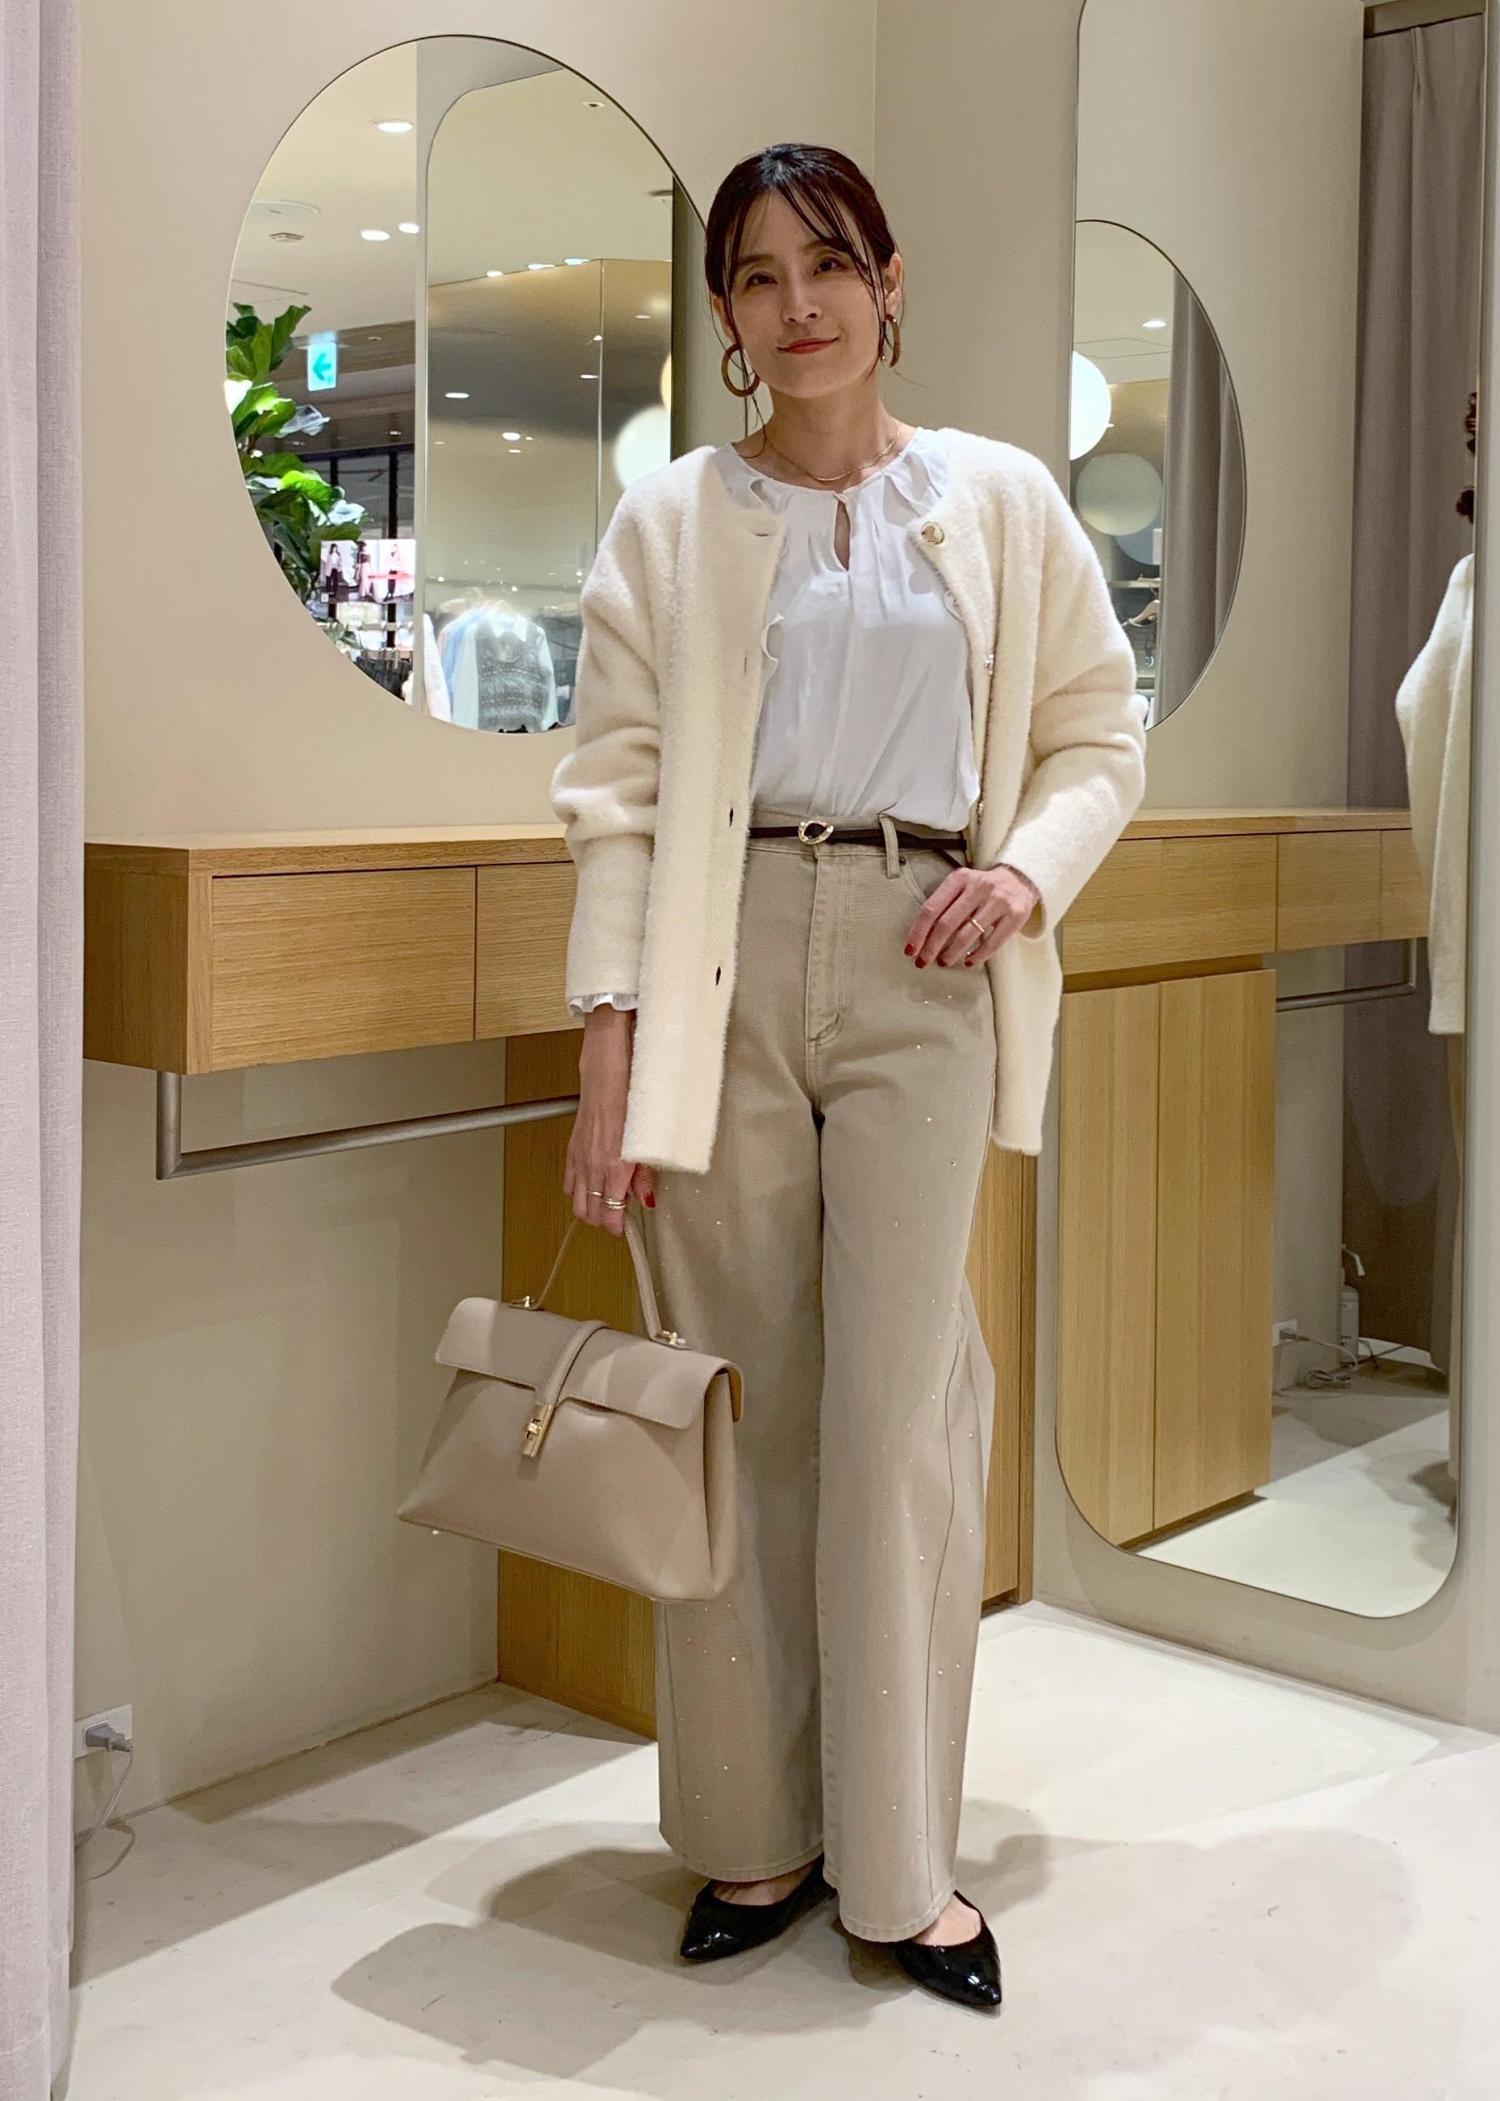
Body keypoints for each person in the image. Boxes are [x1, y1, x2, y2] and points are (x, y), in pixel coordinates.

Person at [548, 142, 1147, 2013]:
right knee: (745, 1404)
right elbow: (619, 796)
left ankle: (900, 1859)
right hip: (718, 964)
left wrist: (1024, 872)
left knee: (896, 1415)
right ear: (727, 315)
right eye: (756, 275)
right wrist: (608, 1043)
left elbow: (1099, 734)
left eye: (828, 265)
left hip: (923, 951)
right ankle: (755, 1829)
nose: (796, 304)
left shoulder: (1002, 500)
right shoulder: (672, 519)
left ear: (890, 282)